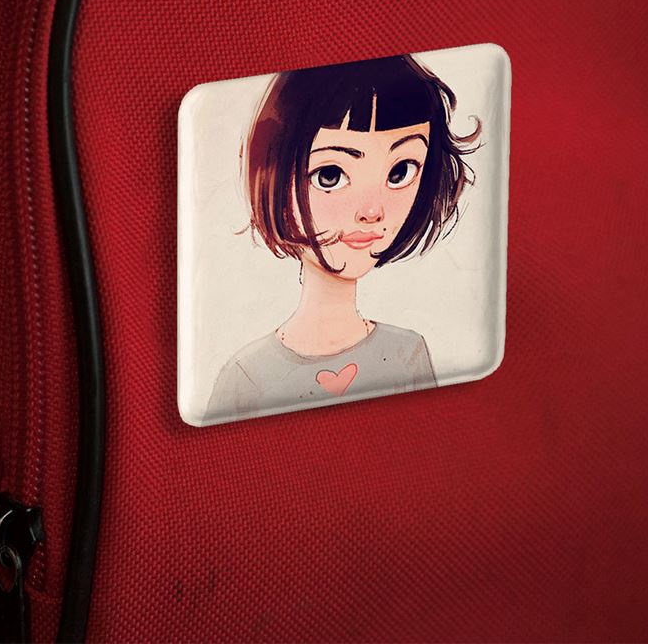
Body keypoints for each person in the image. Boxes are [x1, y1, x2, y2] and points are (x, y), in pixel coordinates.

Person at [204, 53, 481, 422]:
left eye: (400, 171)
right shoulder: (247, 377)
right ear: (272, 179)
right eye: (330, 175)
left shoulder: (408, 353)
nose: (372, 211)